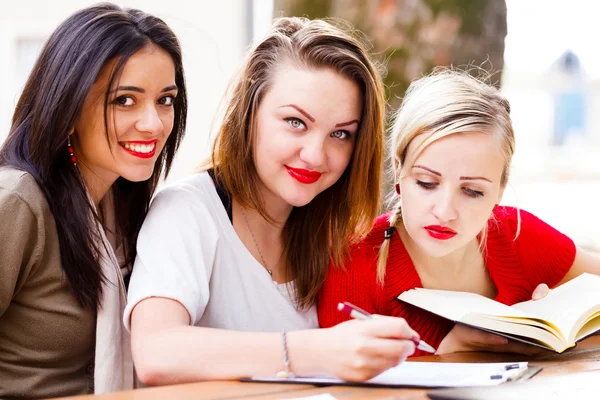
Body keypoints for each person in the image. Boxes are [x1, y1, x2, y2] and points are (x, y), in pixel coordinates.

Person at [126, 16, 419, 385]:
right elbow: (155, 353)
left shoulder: (328, 231)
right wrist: (315, 351)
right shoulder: (187, 210)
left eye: (341, 133)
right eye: (296, 122)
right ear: (249, 114)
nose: (315, 155)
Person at [318, 69, 600, 357]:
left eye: (473, 192)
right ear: (399, 171)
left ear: (499, 193)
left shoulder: (517, 234)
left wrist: (567, 319)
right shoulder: (353, 261)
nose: (444, 212)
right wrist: (449, 354)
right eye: (427, 183)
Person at [0, 3, 187, 398]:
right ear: (66, 107)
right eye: (124, 100)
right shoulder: (18, 202)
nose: (153, 123)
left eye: (165, 100)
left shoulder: (123, 207)